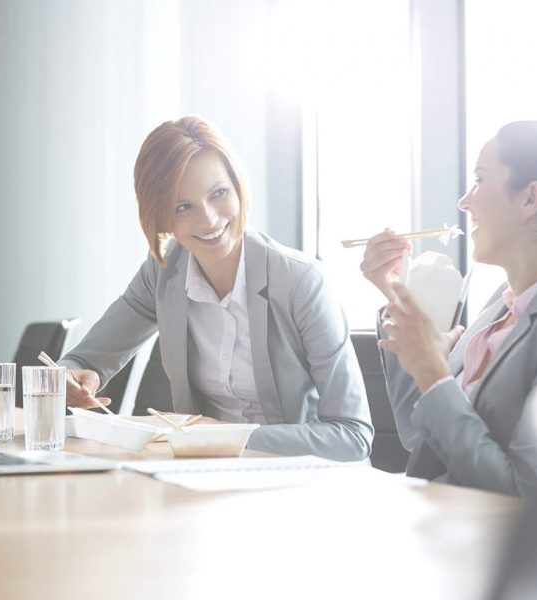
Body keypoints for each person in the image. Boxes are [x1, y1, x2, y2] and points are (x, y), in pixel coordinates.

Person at [58, 116, 373, 461]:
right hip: (206, 479)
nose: (208, 219)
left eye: (218, 193)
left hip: (298, 482)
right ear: (160, 217)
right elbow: (84, 359)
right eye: (183, 207)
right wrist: (71, 377)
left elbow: (352, 436)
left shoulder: (301, 281)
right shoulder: (163, 271)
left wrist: (227, 437)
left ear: (239, 186)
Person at [360, 120, 537, 495]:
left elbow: (522, 494)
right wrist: (398, 300)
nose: (464, 201)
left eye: (480, 180)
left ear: (530, 199)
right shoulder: (498, 307)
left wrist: (435, 373)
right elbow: (418, 435)